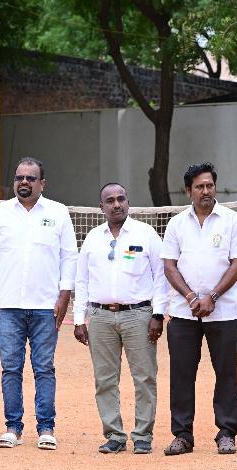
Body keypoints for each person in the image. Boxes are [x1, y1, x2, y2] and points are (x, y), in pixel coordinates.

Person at [0, 157, 77, 450]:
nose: (24, 182)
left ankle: (46, 428)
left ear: (42, 183)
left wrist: (64, 296)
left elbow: (69, 257)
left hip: (46, 306)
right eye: (19, 177)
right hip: (8, 306)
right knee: (10, 368)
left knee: (44, 368)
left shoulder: (58, 212)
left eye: (31, 178)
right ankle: (13, 428)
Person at [161, 162, 237, 455]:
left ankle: (226, 433)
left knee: (226, 373)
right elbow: (169, 265)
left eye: (209, 185)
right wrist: (190, 297)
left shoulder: (233, 221)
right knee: (181, 375)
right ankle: (182, 435)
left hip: (223, 312)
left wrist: (212, 296)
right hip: (183, 312)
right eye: (199, 186)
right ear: (189, 190)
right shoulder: (176, 224)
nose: (206, 191)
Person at [73, 183, 168, 454]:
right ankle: (114, 435)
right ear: (101, 207)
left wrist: (158, 314)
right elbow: (82, 280)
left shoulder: (146, 233)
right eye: (110, 200)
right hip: (100, 317)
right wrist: (79, 319)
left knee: (145, 377)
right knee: (104, 380)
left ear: (128, 202)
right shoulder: (93, 238)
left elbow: (161, 277)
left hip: (139, 315)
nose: (117, 204)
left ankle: (143, 436)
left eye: (121, 199)